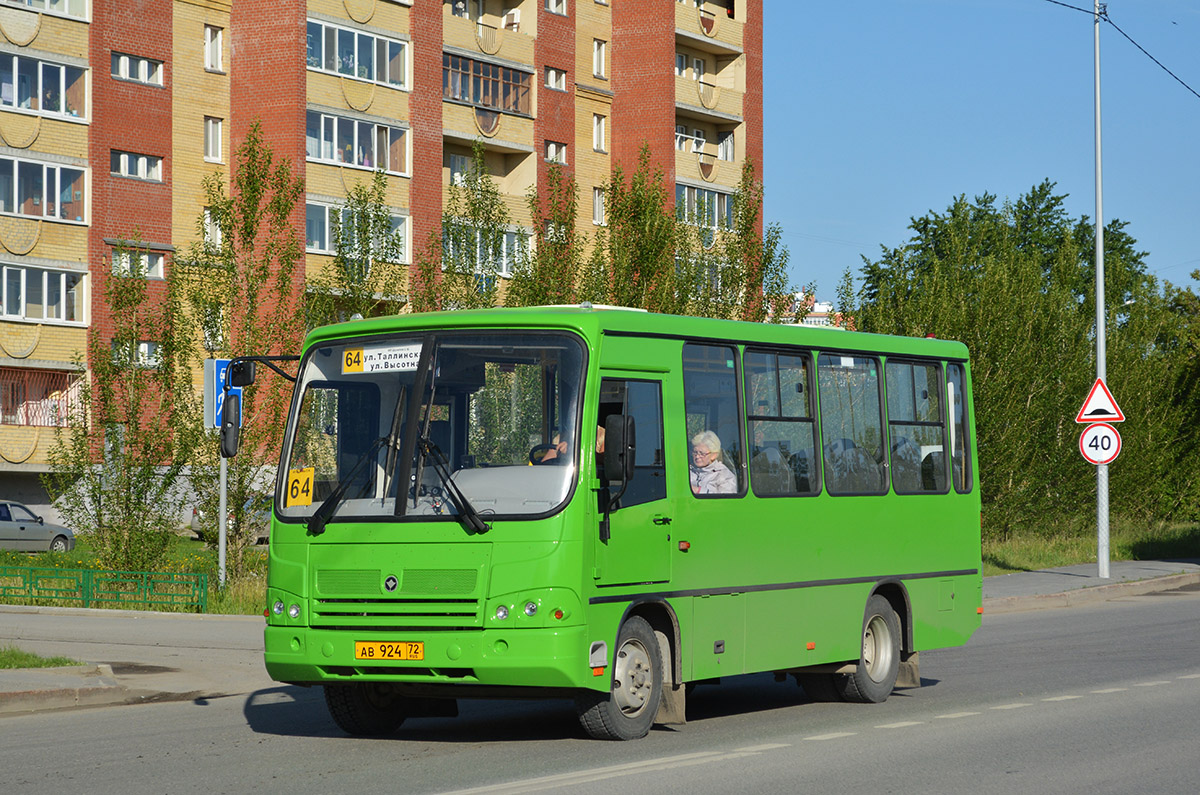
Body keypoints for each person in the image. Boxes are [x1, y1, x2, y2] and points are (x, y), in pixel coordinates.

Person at [689, 430, 736, 495]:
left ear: (714, 455)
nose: (697, 456)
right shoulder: (688, 470)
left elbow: (726, 501)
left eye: (702, 453)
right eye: (695, 452)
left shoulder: (723, 475)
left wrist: (698, 491)